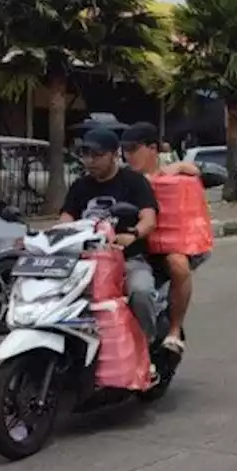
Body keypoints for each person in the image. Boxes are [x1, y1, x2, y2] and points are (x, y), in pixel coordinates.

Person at [59, 128, 160, 350]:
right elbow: (66, 219)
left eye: (97, 155)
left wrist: (132, 234)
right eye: (86, 155)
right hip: (86, 262)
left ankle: (146, 348)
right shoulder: (80, 186)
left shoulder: (134, 182)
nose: (90, 161)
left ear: (115, 154)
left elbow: (149, 219)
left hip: (127, 260)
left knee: (141, 292)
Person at [121, 122, 208, 354]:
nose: (128, 155)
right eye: (124, 150)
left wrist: (179, 166)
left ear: (152, 149)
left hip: (165, 245)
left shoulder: (170, 171)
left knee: (178, 265)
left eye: (133, 149)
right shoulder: (121, 176)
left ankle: (174, 331)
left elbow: (195, 171)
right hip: (126, 244)